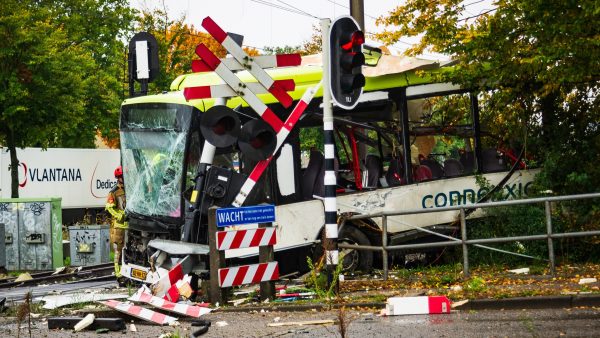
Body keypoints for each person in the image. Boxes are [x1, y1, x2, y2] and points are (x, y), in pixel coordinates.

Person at [106, 165, 128, 282]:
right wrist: (118, 215)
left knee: (128, 248)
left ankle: (126, 270)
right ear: (118, 178)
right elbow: (109, 207)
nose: (124, 178)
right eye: (122, 176)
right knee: (118, 249)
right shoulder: (113, 192)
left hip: (129, 225)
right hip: (119, 225)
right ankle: (118, 272)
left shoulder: (130, 189)